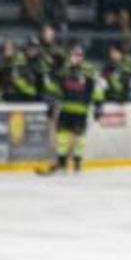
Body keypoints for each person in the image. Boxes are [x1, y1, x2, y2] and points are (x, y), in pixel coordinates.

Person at [41, 45, 103, 174]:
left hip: (81, 110)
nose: (75, 57)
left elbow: (97, 89)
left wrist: (98, 106)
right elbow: (56, 88)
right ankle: (62, 164)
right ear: (70, 56)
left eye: (78, 55)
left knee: (80, 137)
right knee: (62, 136)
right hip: (66, 108)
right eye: (73, 55)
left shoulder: (89, 70)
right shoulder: (64, 70)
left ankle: (77, 163)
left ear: (82, 57)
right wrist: (51, 104)